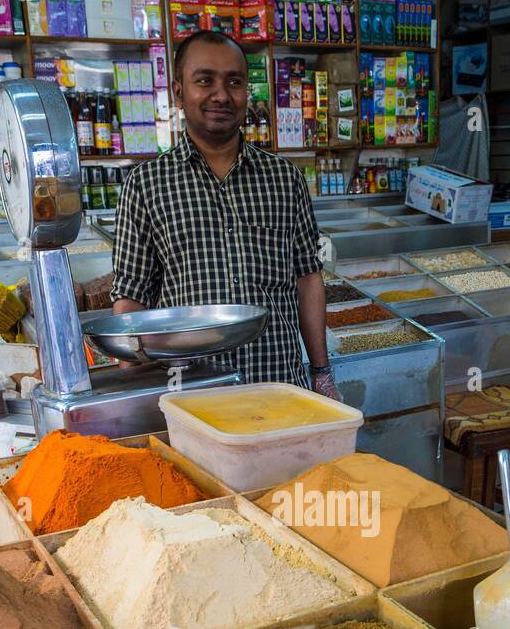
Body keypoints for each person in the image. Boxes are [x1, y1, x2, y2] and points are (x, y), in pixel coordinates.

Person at [111, 29, 339, 399]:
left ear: (247, 90)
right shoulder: (145, 184)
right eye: (205, 80)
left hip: (281, 389)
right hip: (193, 398)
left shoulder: (285, 179)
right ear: (179, 91)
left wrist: (321, 372)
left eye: (234, 82)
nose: (221, 95)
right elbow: (131, 299)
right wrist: (137, 390)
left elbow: (308, 278)